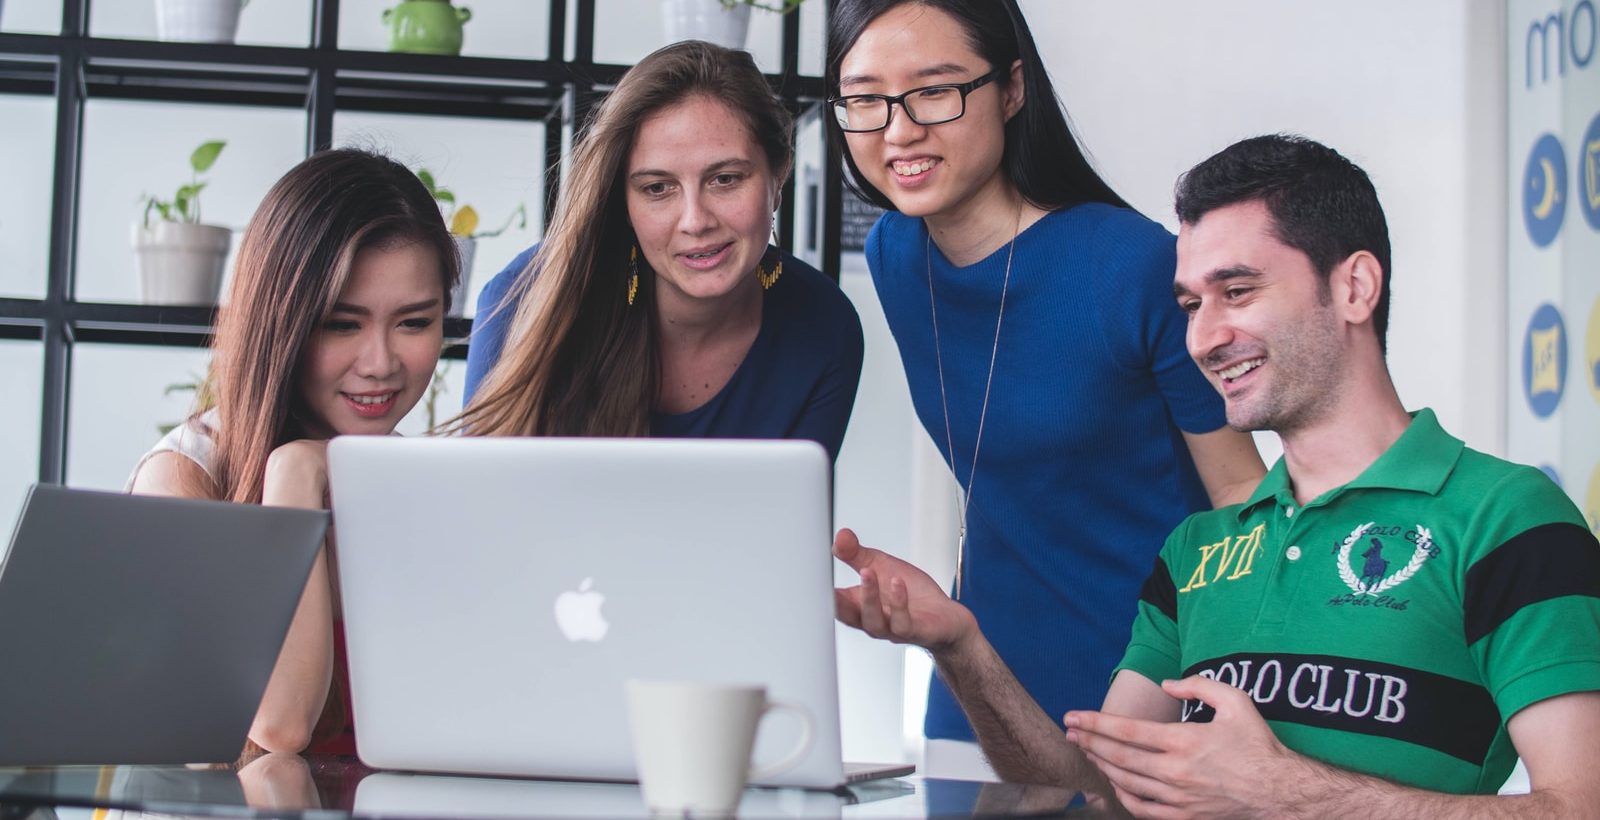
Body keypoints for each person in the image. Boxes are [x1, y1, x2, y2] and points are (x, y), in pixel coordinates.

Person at [834, 134, 1600, 814]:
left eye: (1238, 291)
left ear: (1354, 287)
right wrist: (961, 644)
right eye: (1191, 303)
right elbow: (1098, 788)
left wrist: (1285, 792)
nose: (1204, 337)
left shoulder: (1508, 518)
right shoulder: (1196, 550)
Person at [825, 0, 1266, 768]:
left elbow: (1243, 504)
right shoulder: (898, 255)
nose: (897, 130)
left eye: (934, 89)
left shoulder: (1129, 266)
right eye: (865, 99)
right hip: (979, 691)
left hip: (1150, 696)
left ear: (1012, 88)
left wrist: (1187, 689)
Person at [127, 149, 459, 755]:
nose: (381, 364)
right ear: (281, 322)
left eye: (414, 322)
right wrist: (294, 477)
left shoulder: (417, 484)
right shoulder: (182, 476)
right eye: (341, 324)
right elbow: (279, 725)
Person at [457, 41, 863, 462]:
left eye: (725, 179)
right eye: (657, 188)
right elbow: (485, 511)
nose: (695, 220)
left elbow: (788, 520)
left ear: (778, 176)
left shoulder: (825, 328)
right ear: (623, 202)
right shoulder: (525, 298)